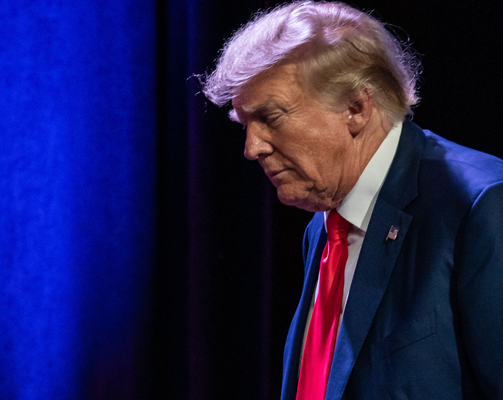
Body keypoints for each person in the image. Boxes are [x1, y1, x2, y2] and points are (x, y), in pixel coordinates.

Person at [202, 1, 503, 399]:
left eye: (271, 118)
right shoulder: (324, 224)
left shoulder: (480, 205)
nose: (251, 147)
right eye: (246, 125)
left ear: (356, 108)